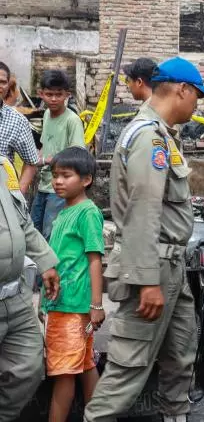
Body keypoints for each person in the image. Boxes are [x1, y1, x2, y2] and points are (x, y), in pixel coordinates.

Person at [84, 57, 204, 422]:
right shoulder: (148, 138)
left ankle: (176, 416)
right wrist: (147, 282)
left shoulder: (160, 134)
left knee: (180, 356)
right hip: (154, 267)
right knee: (129, 368)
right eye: (197, 97)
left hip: (170, 266)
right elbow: (142, 211)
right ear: (182, 90)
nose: (197, 105)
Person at [42, 147, 104, 422]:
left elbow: (94, 261)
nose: (57, 181)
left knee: (63, 372)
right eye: (55, 175)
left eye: (66, 176)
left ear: (86, 180)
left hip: (72, 307)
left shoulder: (86, 213)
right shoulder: (65, 211)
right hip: (64, 305)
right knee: (84, 363)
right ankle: (99, 416)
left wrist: (96, 305)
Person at [0, 154, 60, 422]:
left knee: (28, 368)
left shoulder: (3, 165)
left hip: (15, 296)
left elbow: (23, 222)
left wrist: (46, 262)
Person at [32, 70, 85, 239]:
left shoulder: (72, 120)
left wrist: (49, 160)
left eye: (58, 94)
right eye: (49, 94)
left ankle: (53, 266)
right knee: (33, 231)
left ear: (67, 95)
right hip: (43, 184)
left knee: (51, 233)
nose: (53, 99)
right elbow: (44, 144)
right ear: (41, 94)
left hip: (59, 187)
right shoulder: (47, 114)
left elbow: (77, 155)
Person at [0, 62, 40, 195]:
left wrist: (17, 195)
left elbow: (31, 161)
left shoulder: (17, 121)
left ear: (7, 86)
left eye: (2, 82)